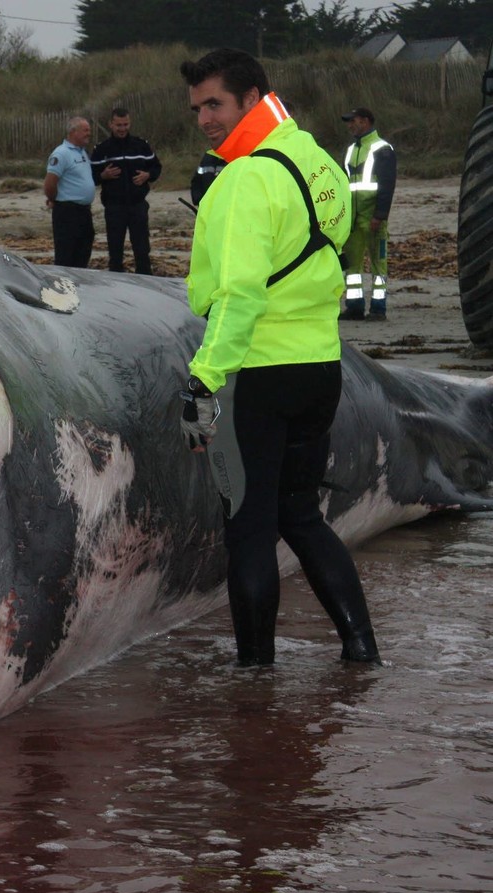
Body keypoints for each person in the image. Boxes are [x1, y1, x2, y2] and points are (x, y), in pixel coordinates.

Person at [177, 47, 380, 668]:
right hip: (321, 367)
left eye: (215, 104)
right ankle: (362, 651)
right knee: (301, 515)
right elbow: (331, 247)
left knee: (250, 529)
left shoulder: (245, 179)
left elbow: (239, 298)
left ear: (252, 97)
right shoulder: (315, 158)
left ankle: (255, 683)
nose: (205, 120)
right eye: (197, 108)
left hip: (258, 376)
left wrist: (203, 382)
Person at [337, 107, 397, 322]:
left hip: (373, 217)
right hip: (352, 219)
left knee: (378, 264)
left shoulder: (383, 149)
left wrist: (379, 215)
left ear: (365, 121)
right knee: (352, 264)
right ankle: (354, 307)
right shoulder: (350, 150)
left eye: (353, 121)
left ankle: (378, 309)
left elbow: (387, 185)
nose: (350, 125)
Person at [90, 107, 162, 274]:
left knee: (142, 249)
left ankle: (145, 281)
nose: (122, 129)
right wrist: (103, 176)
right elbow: (91, 177)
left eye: (125, 124)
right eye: (119, 125)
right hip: (114, 207)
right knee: (115, 251)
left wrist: (148, 175)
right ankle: (116, 283)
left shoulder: (141, 145)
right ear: (111, 124)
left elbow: (156, 167)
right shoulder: (101, 149)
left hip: (138, 205)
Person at [43, 116, 95, 268]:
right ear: (73, 132)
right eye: (85, 130)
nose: (89, 134)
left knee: (83, 253)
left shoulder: (82, 152)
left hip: (84, 211)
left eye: (89, 130)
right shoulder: (61, 153)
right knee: (66, 255)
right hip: (67, 212)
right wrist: (53, 199)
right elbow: (50, 183)